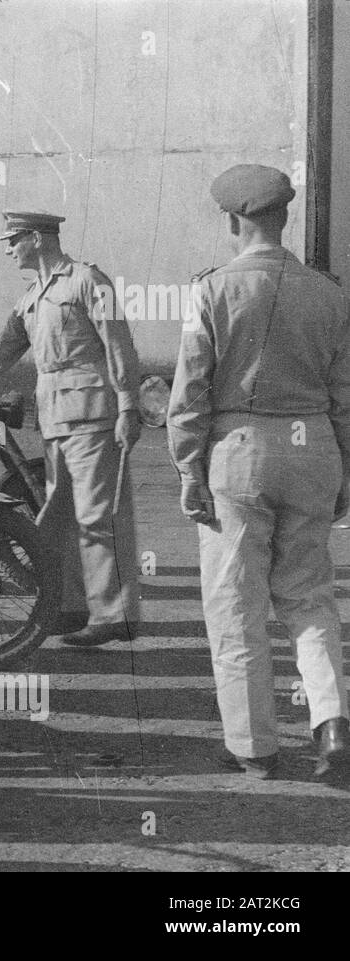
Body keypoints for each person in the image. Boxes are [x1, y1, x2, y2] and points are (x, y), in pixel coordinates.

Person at [168, 163, 350, 780]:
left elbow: (190, 391)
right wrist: (344, 471)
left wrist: (188, 468)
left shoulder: (213, 289)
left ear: (232, 220)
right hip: (314, 447)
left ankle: (253, 747)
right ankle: (330, 726)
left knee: (236, 607)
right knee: (309, 597)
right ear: (284, 216)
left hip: (240, 451)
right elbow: (344, 392)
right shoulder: (328, 291)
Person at [0, 211, 142, 646]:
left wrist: (128, 406)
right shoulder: (30, 298)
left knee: (98, 517)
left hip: (94, 414)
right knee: (58, 517)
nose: (8, 249)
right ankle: (69, 607)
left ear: (36, 237)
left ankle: (114, 614)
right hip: (54, 419)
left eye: (13, 240)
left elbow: (118, 344)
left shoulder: (87, 280)